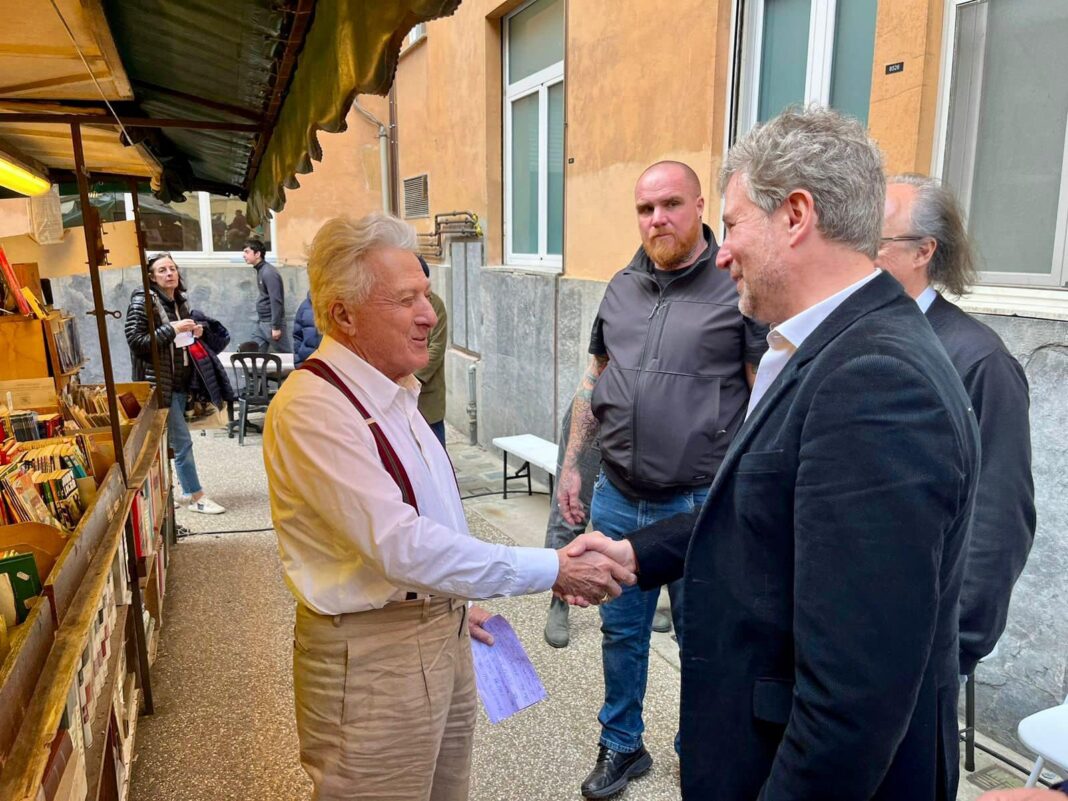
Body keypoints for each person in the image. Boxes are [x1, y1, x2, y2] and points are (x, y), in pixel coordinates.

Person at [567, 107, 980, 801]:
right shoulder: (823, 346)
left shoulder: (875, 382)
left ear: (795, 215)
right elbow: (766, 512)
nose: (721, 251)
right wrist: (642, 553)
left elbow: (852, 700)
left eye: (730, 225)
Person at [262, 212, 636, 801]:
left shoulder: (394, 393)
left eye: (427, 295)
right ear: (343, 314)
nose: (429, 315)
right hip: (373, 658)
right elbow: (402, 545)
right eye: (405, 299)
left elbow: (430, 525)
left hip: (437, 628)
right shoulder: (315, 409)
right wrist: (553, 566)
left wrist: (452, 602)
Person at [556, 160, 766, 799]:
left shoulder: (737, 287)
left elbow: (763, 398)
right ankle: (622, 745)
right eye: (645, 209)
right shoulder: (621, 286)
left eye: (671, 204)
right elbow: (596, 378)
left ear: (700, 205)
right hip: (619, 493)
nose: (658, 220)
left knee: (705, 640)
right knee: (621, 633)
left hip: (701, 504)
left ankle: (695, 750)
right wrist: (573, 464)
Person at [880, 174, 1036, 676]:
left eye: (874, 240)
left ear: (924, 251)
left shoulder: (978, 360)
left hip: (923, 645)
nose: (855, 250)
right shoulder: (860, 337)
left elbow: (1000, 515)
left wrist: (959, 644)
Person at [126, 253, 226, 515]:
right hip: (159, 385)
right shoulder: (142, 302)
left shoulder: (179, 301)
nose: (169, 273)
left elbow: (181, 341)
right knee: (182, 442)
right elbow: (136, 341)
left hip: (180, 382)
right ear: (151, 277)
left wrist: (195, 331)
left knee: (174, 443)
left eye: (172, 268)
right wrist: (172, 329)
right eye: (162, 270)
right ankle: (196, 497)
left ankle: (179, 490)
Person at [543, 398, 601, 648]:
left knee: (638, 516)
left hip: (643, 425)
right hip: (596, 413)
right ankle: (559, 601)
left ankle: (641, 597)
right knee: (571, 511)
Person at [414, 256, 448, 447]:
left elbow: (436, 348)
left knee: (436, 450)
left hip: (427, 396)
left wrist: (411, 380)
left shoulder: (437, 305)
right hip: (402, 397)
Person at [243, 237, 290, 353]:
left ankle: (299, 371)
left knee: (287, 357)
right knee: (253, 354)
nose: (244, 255)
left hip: (270, 324)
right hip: (263, 323)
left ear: (257, 254)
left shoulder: (269, 272)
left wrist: (276, 327)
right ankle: (256, 372)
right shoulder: (261, 270)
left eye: (247, 252)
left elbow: (276, 300)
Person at [291, 291, 321, 368]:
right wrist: (298, 363)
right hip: (307, 362)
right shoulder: (305, 306)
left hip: (331, 366)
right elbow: (297, 336)